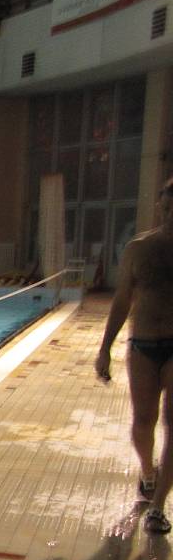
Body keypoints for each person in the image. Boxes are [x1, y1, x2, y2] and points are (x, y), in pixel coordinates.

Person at [97, 177, 173, 533]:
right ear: (161, 207)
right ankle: (147, 472)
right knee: (144, 421)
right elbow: (122, 300)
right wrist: (105, 349)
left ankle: (158, 506)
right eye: (168, 207)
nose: (171, 215)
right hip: (143, 345)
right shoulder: (139, 249)